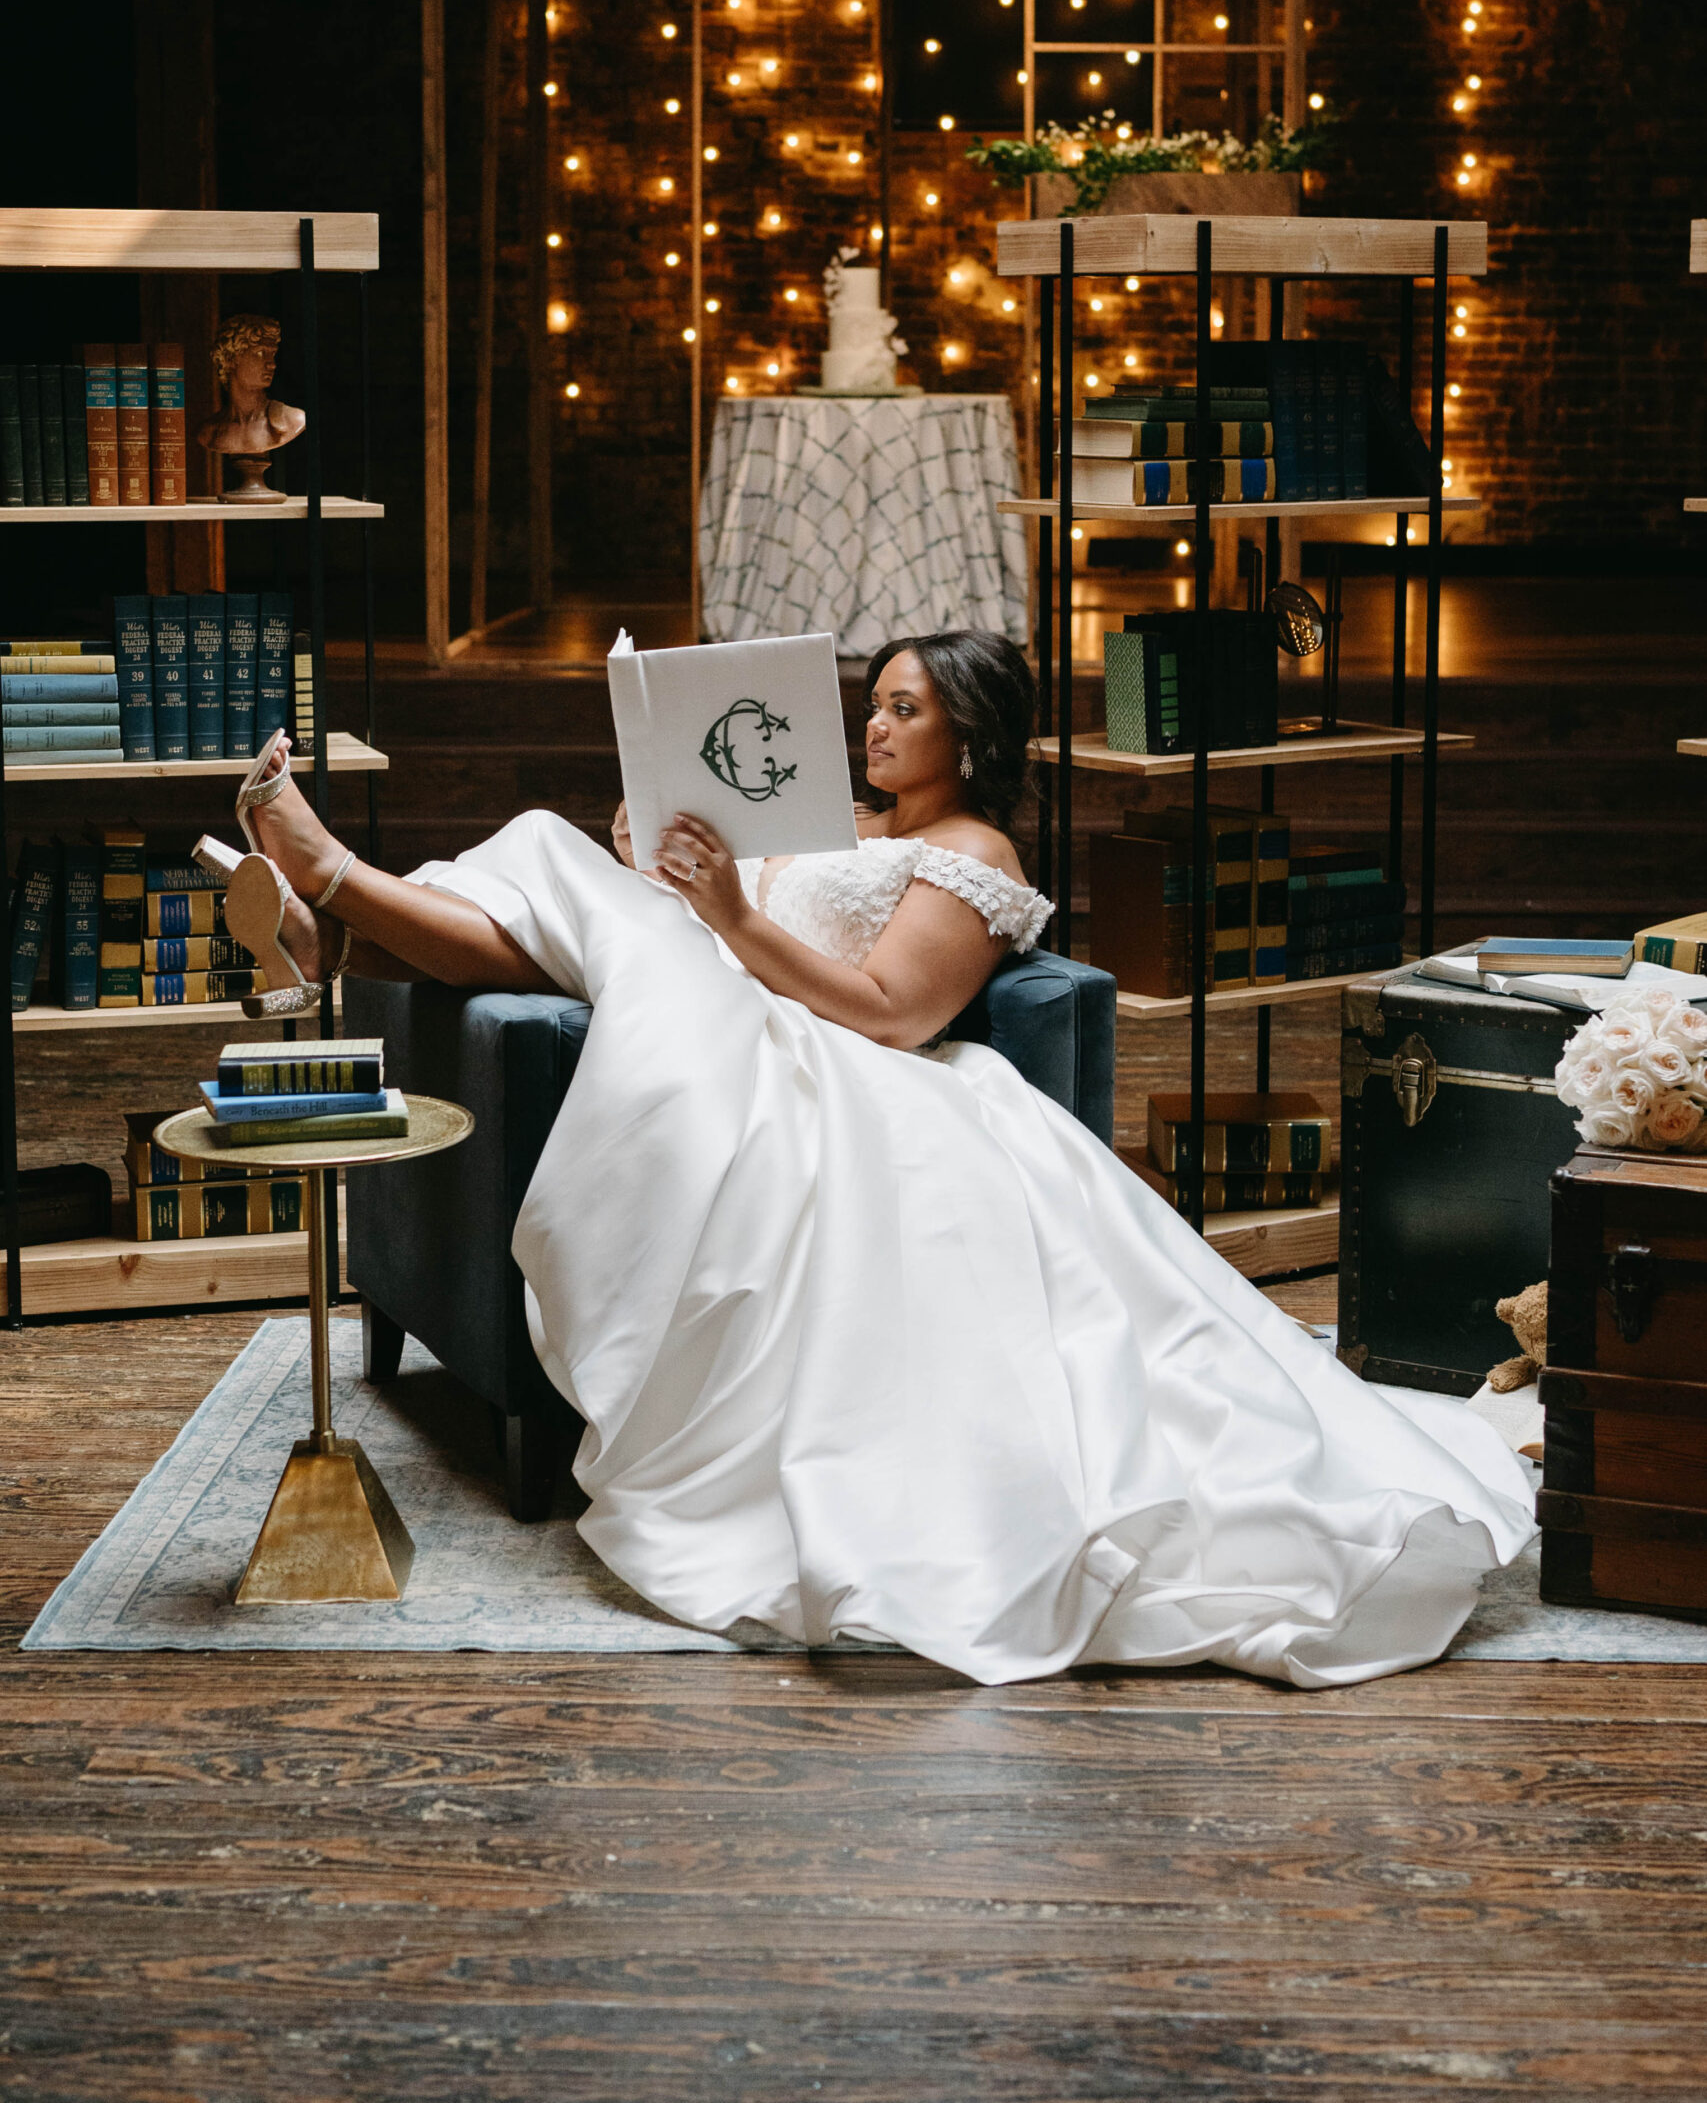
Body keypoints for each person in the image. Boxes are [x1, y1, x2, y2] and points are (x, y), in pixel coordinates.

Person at [229, 627, 1535, 1688]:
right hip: (746, 1018)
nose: (877, 726)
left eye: (906, 708)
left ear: (967, 733)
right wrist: (679, 877)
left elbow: (893, 1011)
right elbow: (736, 939)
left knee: (558, 873)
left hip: (862, 1070)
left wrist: (728, 911)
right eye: (874, 704)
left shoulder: (975, 852)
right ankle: (337, 907)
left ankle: (337, 900)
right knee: (571, 872)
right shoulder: (828, 820)